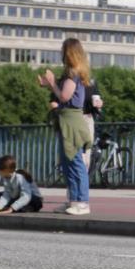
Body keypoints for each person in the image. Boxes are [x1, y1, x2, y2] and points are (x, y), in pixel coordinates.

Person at [39, 38, 94, 215]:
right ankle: (73, 200)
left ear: (69, 52)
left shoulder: (72, 72)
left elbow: (64, 97)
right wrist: (49, 84)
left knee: (75, 162)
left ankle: (82, 202)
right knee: (67, 162)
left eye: (63, 49)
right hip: (67, 119)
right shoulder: (74, 72)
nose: (60, 52)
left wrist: (52, 82)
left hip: (71, 120)